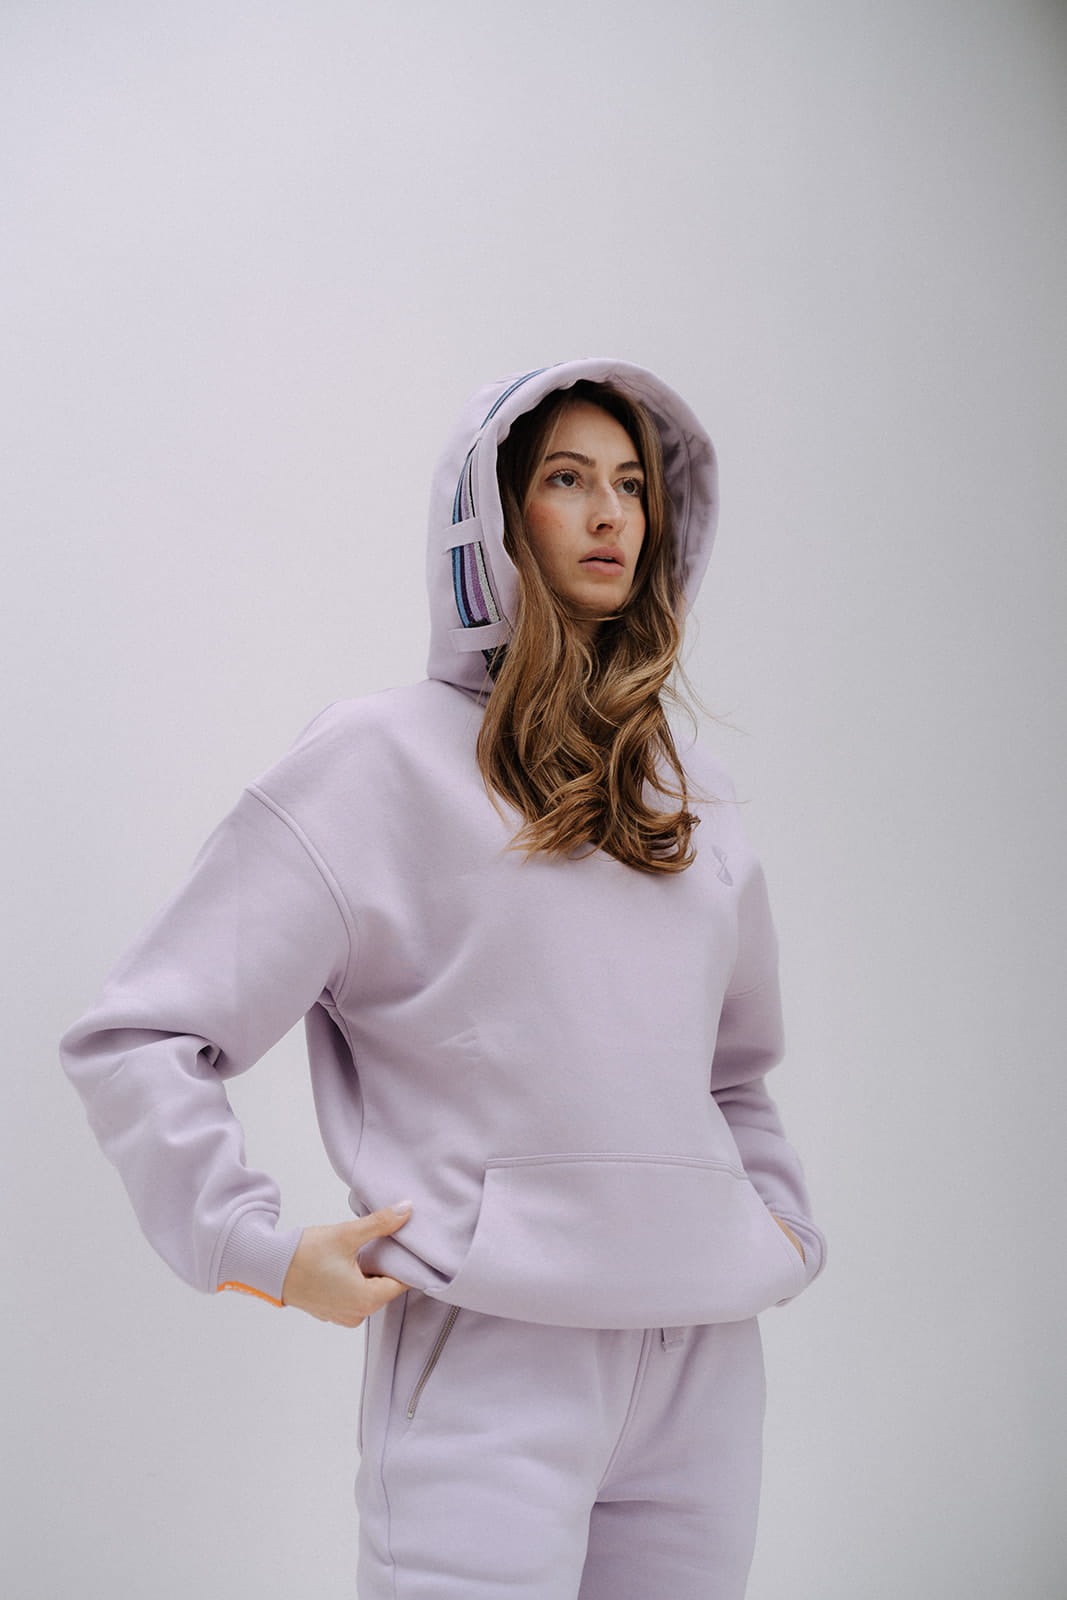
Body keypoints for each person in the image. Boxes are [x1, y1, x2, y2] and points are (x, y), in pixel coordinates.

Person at [61, 358, 825, 1599]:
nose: (609, 514)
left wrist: (777, 1224)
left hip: (702, 1362)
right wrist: (255, 1247)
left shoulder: (687, 787)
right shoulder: (377, 761)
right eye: (565, 479)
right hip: (490, 1358)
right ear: (492, 516)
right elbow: (140, 1034)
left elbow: (731, 1072)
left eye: (631, 485)